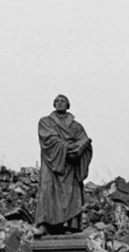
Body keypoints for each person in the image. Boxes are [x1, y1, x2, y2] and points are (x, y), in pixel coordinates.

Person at [35, 94, 92, 235]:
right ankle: (45, 225)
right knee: (48, 192)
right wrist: (68, 148)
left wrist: (79, 150)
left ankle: (70, 226)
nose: (60, 103)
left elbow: (84, 141)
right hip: (52, 162)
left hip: (70, 165)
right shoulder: (45, 122)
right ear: (54, 104)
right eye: (57, 101)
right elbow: (48, 140)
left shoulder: (76, 126)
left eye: (63, 101)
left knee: (71, 193)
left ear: (68, 105)